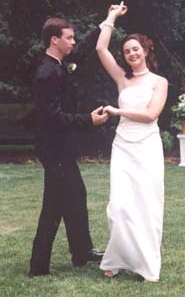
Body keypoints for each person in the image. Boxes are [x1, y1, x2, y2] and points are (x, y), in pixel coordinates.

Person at [29, 17, 109, 277]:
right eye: (69, 38)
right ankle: (38, 267)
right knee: (53, 205)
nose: (74, 42)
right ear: (55, 40)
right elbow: (51, 117)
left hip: (60, 148)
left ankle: (82, 252)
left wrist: (108, 20)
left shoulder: (59, 65)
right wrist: (89, 120)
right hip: (54, 149)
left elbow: (84, 48)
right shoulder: (46, 73)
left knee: (76, 196)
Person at [96, 2, 168, 282]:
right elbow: (101, 49)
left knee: (146, 204)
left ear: (146, 51)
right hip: (123, 146)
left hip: (147, 147)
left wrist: (118, 112)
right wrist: (112, 16)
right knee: (120, 205)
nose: (131, 54)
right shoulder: (121, 80)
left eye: (135, 49)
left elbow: (151, 115)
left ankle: (145, 264)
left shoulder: (158, 82)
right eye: (126, 51)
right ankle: (115, 259)